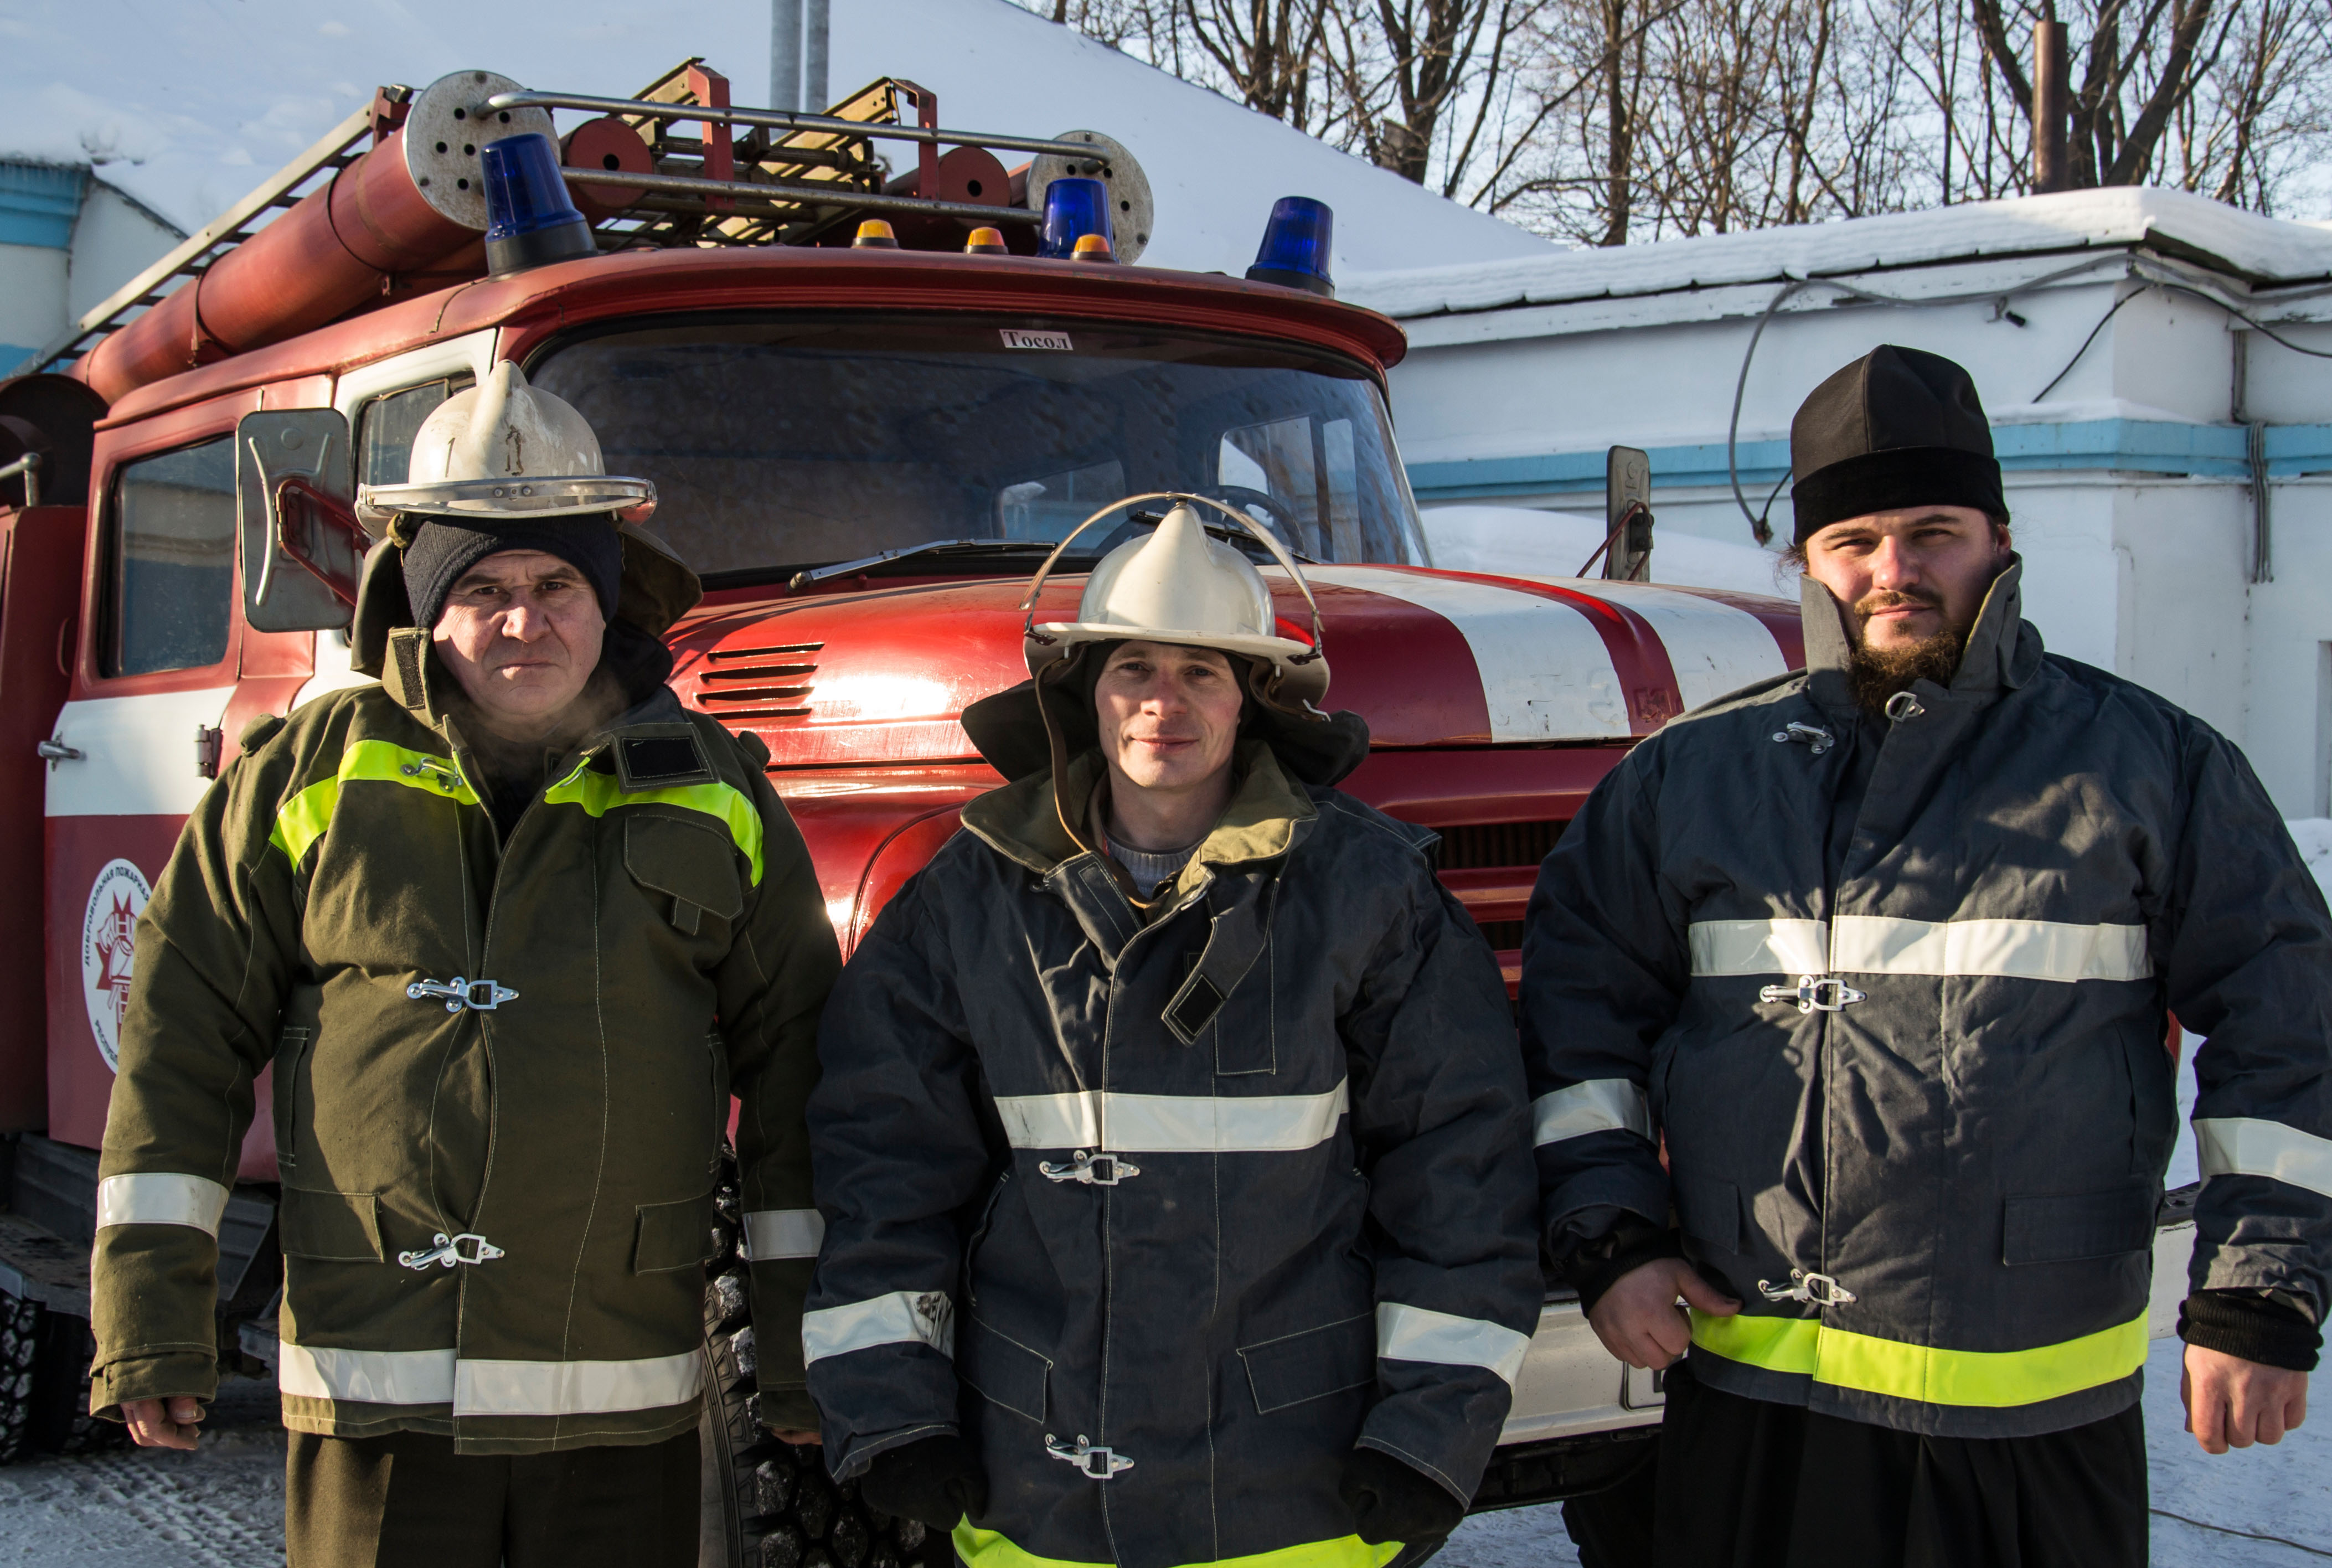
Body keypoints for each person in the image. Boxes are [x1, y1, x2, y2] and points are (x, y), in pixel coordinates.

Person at [1522, 344, 2329, 1565]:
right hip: (1753, 1413)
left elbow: (2289, 1016)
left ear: (1999, 538)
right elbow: (1577, 1020)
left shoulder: (2149, 764)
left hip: (2027, 1424)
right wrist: (1611, 1240)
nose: (1894, 571)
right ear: (1806, 563)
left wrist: (2260, 1290)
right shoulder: (1689, 778)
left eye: (1933, 531)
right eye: (1853, 541)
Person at [88, 363, 838, 1567]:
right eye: (482, 588)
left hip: (619, 1393)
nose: (523, 622)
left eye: (555, 585)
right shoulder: (303, 776)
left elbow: (807, 1074)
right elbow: (180, 1043)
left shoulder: (716, 790)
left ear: (609, 599)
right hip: (371, 1382)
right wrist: (150, 1318)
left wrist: (804, 1350)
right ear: (423, 601)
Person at [801, 500, 1541, 1568]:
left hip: (1299, 1499)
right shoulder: (970, 897)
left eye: (1204, 672)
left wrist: (1428, 1434)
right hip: (1036, 1494)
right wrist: (895, 1407)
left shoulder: (1370, 895)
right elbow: (886, 1161)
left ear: (1254, 700)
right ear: (1082, 694)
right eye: (1132, 668)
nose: (1164, 703)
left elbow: (1459, 1167)